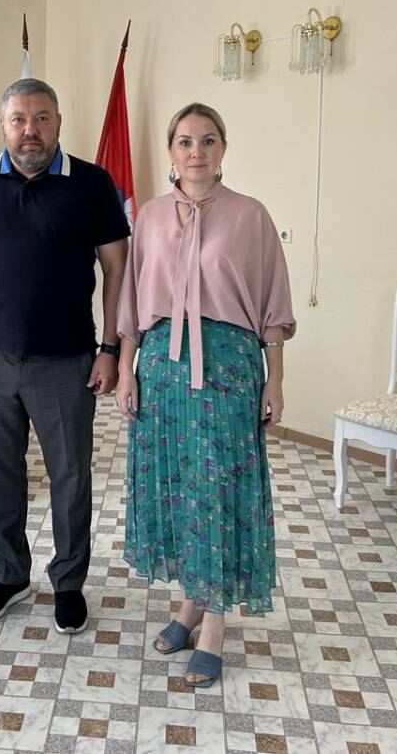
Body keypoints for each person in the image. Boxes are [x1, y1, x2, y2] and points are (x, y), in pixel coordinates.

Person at [0, 78, 130, 634]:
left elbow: (117, 268)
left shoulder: (92, 184)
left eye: (42, 118)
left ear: (58, 122)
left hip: (68, 361)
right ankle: (10, 575)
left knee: (70, 477)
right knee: (0, 474)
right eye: (19, 119)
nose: (30, 130)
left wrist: (110, 349)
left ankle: (68, 582)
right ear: (2, 124)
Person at [116, 102, 295, 688]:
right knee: (179, 486)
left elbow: (271, 305)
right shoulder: (149, 217)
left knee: (219, 487)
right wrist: (126, 371)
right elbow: (131, 301)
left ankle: (214, 623)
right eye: (186, 141)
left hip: (227, 370)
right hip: (163, 370)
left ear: (223, 148)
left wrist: (275, 377)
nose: (197, 151)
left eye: (209, 140)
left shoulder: (251, 216)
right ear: (171, 150)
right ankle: (191, 602)